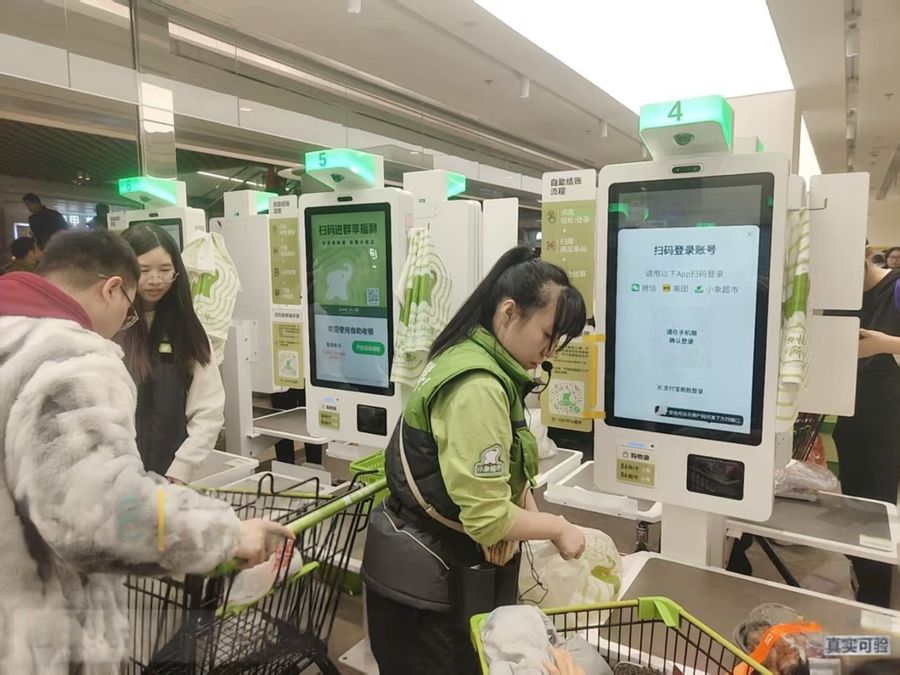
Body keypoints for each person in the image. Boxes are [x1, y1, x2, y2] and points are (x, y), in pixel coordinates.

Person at [0, 229, 292, 673]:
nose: (125, 322)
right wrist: (227, 536)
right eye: (128, 307)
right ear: (113, 288)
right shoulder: (69, 361)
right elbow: (101, 512)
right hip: (43, 637)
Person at [362, 246, 588, 675]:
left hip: (425, 573)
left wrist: (523, 520)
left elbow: (505, 473)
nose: (550, 351)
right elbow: (485, 518)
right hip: (426, 596)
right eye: (546, 334)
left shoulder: (476, 357)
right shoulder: (478, 386)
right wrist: (557, 528)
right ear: (508, 312)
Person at [116, 224, 225, 485]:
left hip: (168, 477)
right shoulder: (109, 325)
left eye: (165, 270)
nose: (155, 279)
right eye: (143, 271)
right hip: (113, 478)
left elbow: (208, 408)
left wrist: (182, 470)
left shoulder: (186, 328)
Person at [833, 241, 900, 608]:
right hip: (850, 416)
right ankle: (862, 574)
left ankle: (878, 594)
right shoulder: (841, 296)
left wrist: (884, 344)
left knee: (878, 507)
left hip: (887, 419)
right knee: (853, 503)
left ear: (867, 252)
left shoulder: (895, 288)